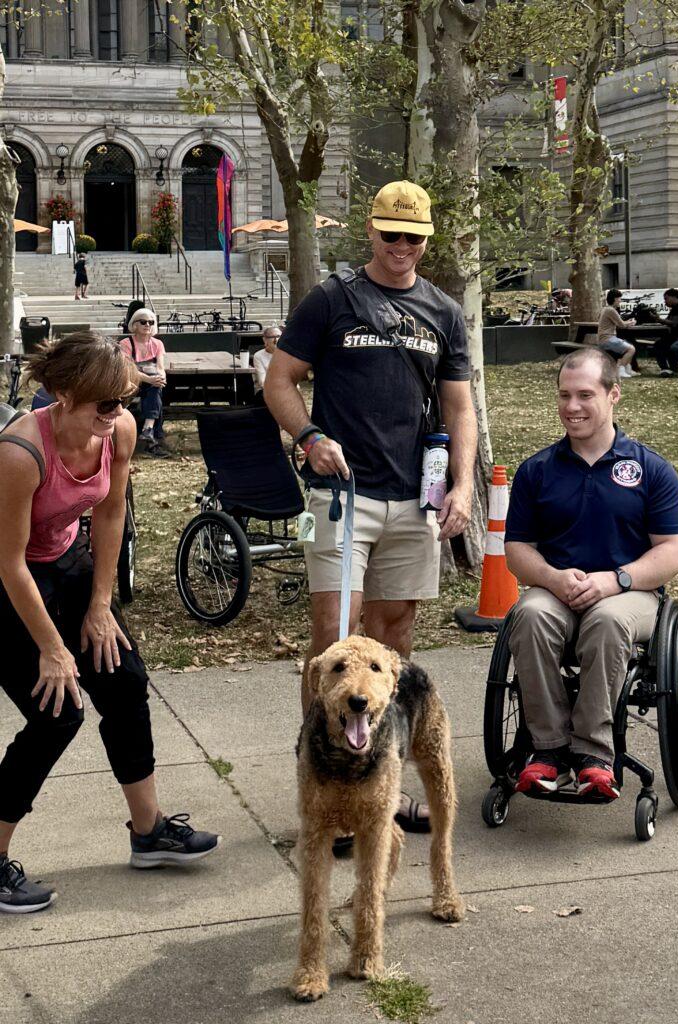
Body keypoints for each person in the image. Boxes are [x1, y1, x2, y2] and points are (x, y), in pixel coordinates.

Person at [265, 180, 477, 833]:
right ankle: (323, 785)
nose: (403, 249)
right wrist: (309, 436)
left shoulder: (443, 310)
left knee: (392, 648)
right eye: (392, 236)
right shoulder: (332, 300)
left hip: (415, 499)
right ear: (371, 232)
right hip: (341, 499)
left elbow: (459, 406)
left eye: (414, 238)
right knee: (333, 647)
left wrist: (463, 486)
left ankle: (377, 785)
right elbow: (278, 380)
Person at [0, 332, 220, 914]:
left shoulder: (115, 432)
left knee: (123, 683)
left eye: (123, 400)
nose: (118, 413)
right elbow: (8, 562)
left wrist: (100, 603)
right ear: (64, 396)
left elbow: (111, 510)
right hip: (9, 584)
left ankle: (148, 832)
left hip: (69, 569)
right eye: (105, 404)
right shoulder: (20, 453)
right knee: (57, 713)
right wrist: (52, 647)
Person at [504, 348, 678, 800]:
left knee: (608, 621)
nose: (572, 406)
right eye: (564, 395)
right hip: (558, 588)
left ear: (614, 395)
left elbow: (674, 553)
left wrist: (615, 580)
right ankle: (547, 750)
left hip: (632, 593)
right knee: (529, 615)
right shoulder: (537, 471)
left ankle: (592, 755)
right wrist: (551, 577)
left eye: (585, 394)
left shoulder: (649, 468)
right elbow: (516, 551)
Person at [119, 308, 169, 459]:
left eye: (151, 322)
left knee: (156, 389)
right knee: (155, 390)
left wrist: (161, 378)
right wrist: (151, 379)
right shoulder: (126, 343)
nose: (147, 325)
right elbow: (127, 370)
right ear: (134, 325)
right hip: (130, 384)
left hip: (151, 383)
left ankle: (148, 430)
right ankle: (151, 436)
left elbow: (160, 367)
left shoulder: (157, 344)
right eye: (143, 322)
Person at [596, 289, 637, 379]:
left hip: (604, 339)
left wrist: (627, 322)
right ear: (614, 299)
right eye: (619, 299)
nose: (620, 301)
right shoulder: (611, 310)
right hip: (607, 339)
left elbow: (619, 323)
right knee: (631, 349)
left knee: (628, 344)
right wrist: (631, 322)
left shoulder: (605, 309)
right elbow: (621, 325)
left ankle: (628, 369)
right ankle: (621, 370)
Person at [253, 325, 281, 389]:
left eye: (278, 336)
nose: (276, 340)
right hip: (267, 391)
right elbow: (262, 382)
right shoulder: (258, 356)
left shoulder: (287, 354)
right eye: (272, 337)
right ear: (265, 340)